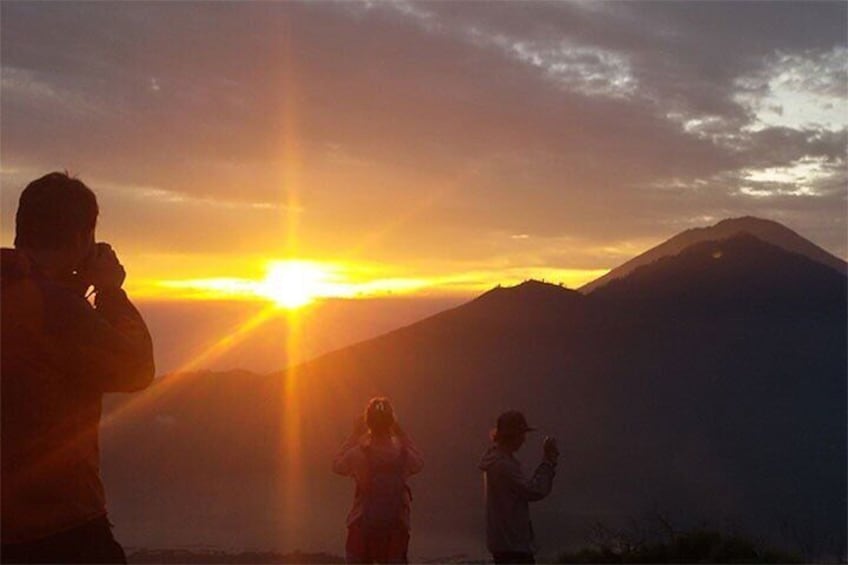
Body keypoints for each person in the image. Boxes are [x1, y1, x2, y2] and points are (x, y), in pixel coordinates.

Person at [1, 172, 155, 564]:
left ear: (21, 233)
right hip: (58, 528)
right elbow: (135, 368)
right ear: (82, 238)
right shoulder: (53, 308)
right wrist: (109, 291)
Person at [332, 397, 424, 564]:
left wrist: (354, 435)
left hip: (361, 522)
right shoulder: (403, 454)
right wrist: (402, 434)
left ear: (368, 422)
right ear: (391, 422)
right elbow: (419, 463)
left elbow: (337, 466)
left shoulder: (358, 453)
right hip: (397, 523)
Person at [479, 410, 559, 564]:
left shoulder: (497, 460)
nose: (524, 440)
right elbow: (534, 491)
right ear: (512, 436)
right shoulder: (504, 465)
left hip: (505, 545)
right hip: (513, 547)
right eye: (522, 434)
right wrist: (548, 461)